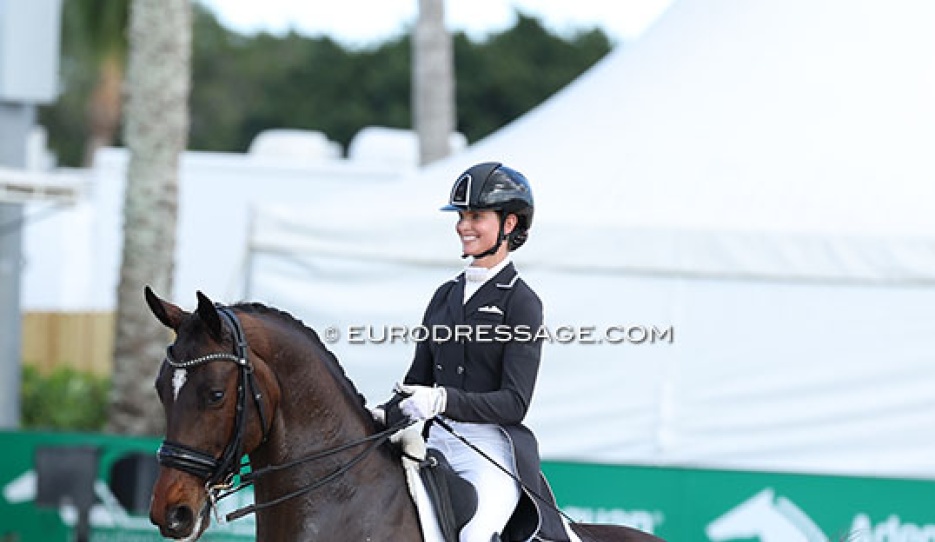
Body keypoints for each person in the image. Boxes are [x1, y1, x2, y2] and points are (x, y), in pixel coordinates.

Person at [376, 162, 574, 542]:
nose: (463, 226)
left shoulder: (521, 302)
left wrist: (443, 399)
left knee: (476, 535)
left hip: (488, 451)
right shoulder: (444, 296)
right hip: (432, 444)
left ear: (510, 224)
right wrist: (378, 414)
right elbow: (418, 382)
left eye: (476, 216)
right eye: (462, 216)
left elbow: (515, 403)